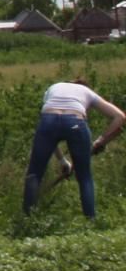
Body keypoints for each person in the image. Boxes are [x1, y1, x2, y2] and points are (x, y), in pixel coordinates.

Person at [23, 79, 126, 219]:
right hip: (75, 122)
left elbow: (51, 123)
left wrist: (62, 161)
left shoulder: (54, 87)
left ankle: (27, 219)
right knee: (84, 177)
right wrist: (102, 141)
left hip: (48, 122)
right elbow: (119, 117)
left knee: (34, 174)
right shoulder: (87, 92)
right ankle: (90, 220)